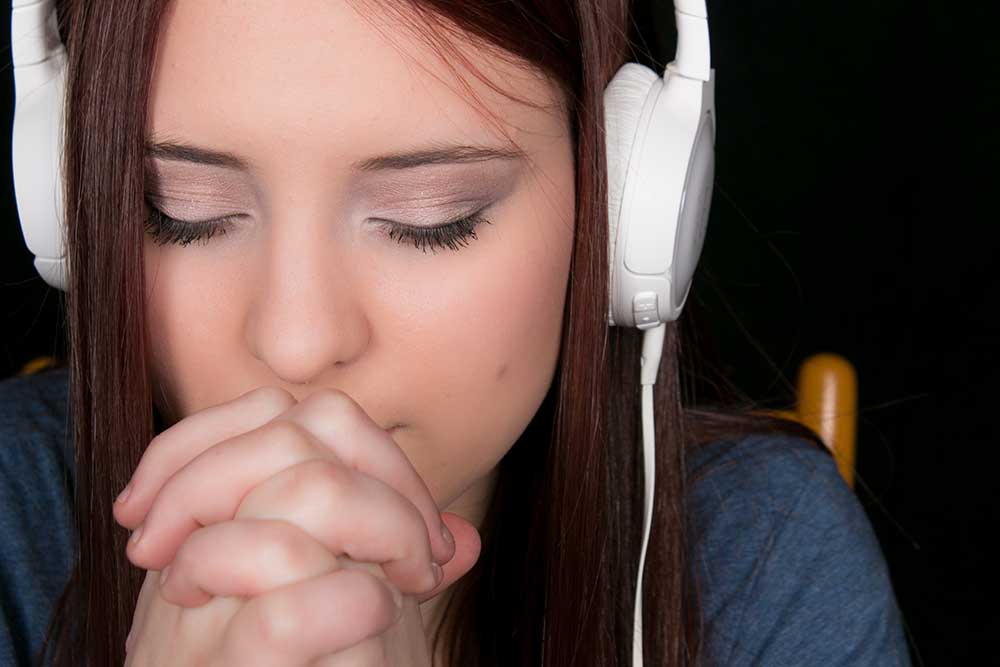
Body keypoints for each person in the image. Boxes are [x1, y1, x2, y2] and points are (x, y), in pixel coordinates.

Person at [1, 0, 912, 665]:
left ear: (623, 210)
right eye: (183, 212)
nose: (296, 341)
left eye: (429, 217)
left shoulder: (763, 554)